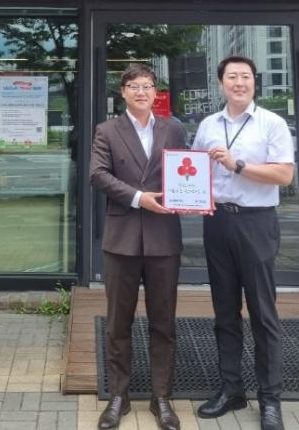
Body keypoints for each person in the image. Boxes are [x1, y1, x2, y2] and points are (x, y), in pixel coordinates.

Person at [192, 56, 294, 430]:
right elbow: (195, 171)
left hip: (256, 222)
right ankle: (231, 389)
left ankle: (270, 400)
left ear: (255, 82)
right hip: (217, 221)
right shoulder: (208, 125)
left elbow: (284, 175)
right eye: (232, 76)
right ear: (221, 83)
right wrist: (189, 196)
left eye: (246, 76)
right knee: (224, 311)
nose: (239, 82)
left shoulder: (272, 123)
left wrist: (238, 165)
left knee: (263, 314)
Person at [90, 64, 186, 430]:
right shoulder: (107, 130)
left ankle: (162, 397)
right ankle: (119, 396)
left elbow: (185, 171)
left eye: (147, 86)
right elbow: (97, 174)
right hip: (122, 238)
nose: (141, 92)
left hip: (164, 237)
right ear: (123, 92)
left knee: (164, 322)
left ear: (155, 91)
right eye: (134, 86)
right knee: (118, 322)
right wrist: (137, 197)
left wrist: (195, 195)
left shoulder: (173, 128)